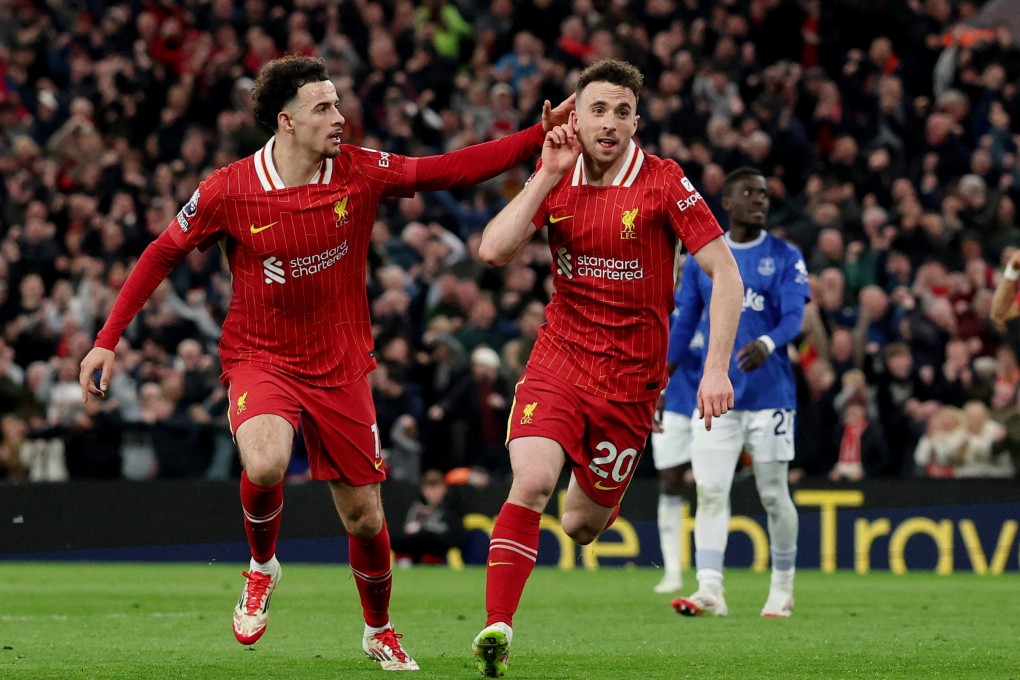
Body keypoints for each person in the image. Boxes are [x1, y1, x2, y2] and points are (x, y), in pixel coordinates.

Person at [78, 54, 574, 671]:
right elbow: (161, 253)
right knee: (264, 460)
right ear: (286, 121)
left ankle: (379, 629)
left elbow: (447, 169)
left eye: (338, 103)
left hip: (340, 365)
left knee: (365, 519)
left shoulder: (358, 171)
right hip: (261, 356)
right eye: (324, 107)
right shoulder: (228, 189)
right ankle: (261, 566)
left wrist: (538, 137)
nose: (340, 117)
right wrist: (108, 337)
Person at [469, 59, 743, 677]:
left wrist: (715, 369)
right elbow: (492, 249)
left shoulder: (665, 183)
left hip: (631, 381)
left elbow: (726, 273)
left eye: (622, 111)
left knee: (580, 525)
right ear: (575, 116)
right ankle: (498, 627)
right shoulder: (556, 176)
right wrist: (544, 173)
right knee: (533, 481)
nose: (610, 122)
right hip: (560, 357)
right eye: (597, 109)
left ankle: (595, 493)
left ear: (636, 121)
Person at [669, 167, 809, 619]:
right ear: (725, 203)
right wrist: (662, 378)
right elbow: (684, 321)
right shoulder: (701, 259)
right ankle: (710, 588)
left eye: (764, 193)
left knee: (772, 493)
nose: (759, 200)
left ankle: (782, 588)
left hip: (770, 395)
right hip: (715, 394)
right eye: (749, 193)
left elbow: (795, 317)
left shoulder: (785, 256)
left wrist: (768, 342)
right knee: (709, 490)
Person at [649, 275, 704, 594]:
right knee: (670, 480)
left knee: (711, 482)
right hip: (672, 401)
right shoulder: (661, 303)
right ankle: (672, 571)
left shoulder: (712, 300)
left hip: (708, 401)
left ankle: (708, 568)